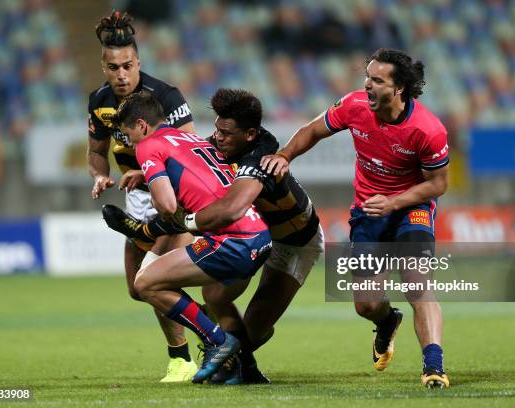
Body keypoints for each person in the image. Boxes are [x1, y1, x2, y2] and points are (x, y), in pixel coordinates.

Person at [102, 88, 324, 383]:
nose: (218, 137)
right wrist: (150, 177)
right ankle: (246, 368)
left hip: (295, 240)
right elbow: (191, 165)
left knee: (146, 283)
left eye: (225, 132)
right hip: (260, 234)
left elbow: (227, 209)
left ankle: (217, 341)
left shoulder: (260, 157)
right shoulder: (196, 139)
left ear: (249, 134)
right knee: (215, 296)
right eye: (217, 128)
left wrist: (167, 199)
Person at [261, 48, 450, 388]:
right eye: (368, 77)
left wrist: (394, 202)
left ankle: (433, 366)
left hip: (412, 208)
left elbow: (439, 184)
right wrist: (285, 155)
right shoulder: (354, 106)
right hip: (368, 212)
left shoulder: (428, 129)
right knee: (366, 305)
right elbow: (312, 130)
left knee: (417, 284)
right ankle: (388, 320)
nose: (368, 85)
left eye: (378, 80)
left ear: (399, 88)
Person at [86, 10, 197, 382]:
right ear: (103, 65)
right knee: (139, 289)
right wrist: (100, 175)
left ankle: (187, 356)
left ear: (139, 63)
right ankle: (213, 331)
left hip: (175, 201)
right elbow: (96, 151)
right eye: (113, 67)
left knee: (156, 281)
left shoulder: (166, 96)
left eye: (127, 65)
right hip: (137, 203)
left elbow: (191, 150)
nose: (121, 74)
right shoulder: (99, 102)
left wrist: (150, 170)